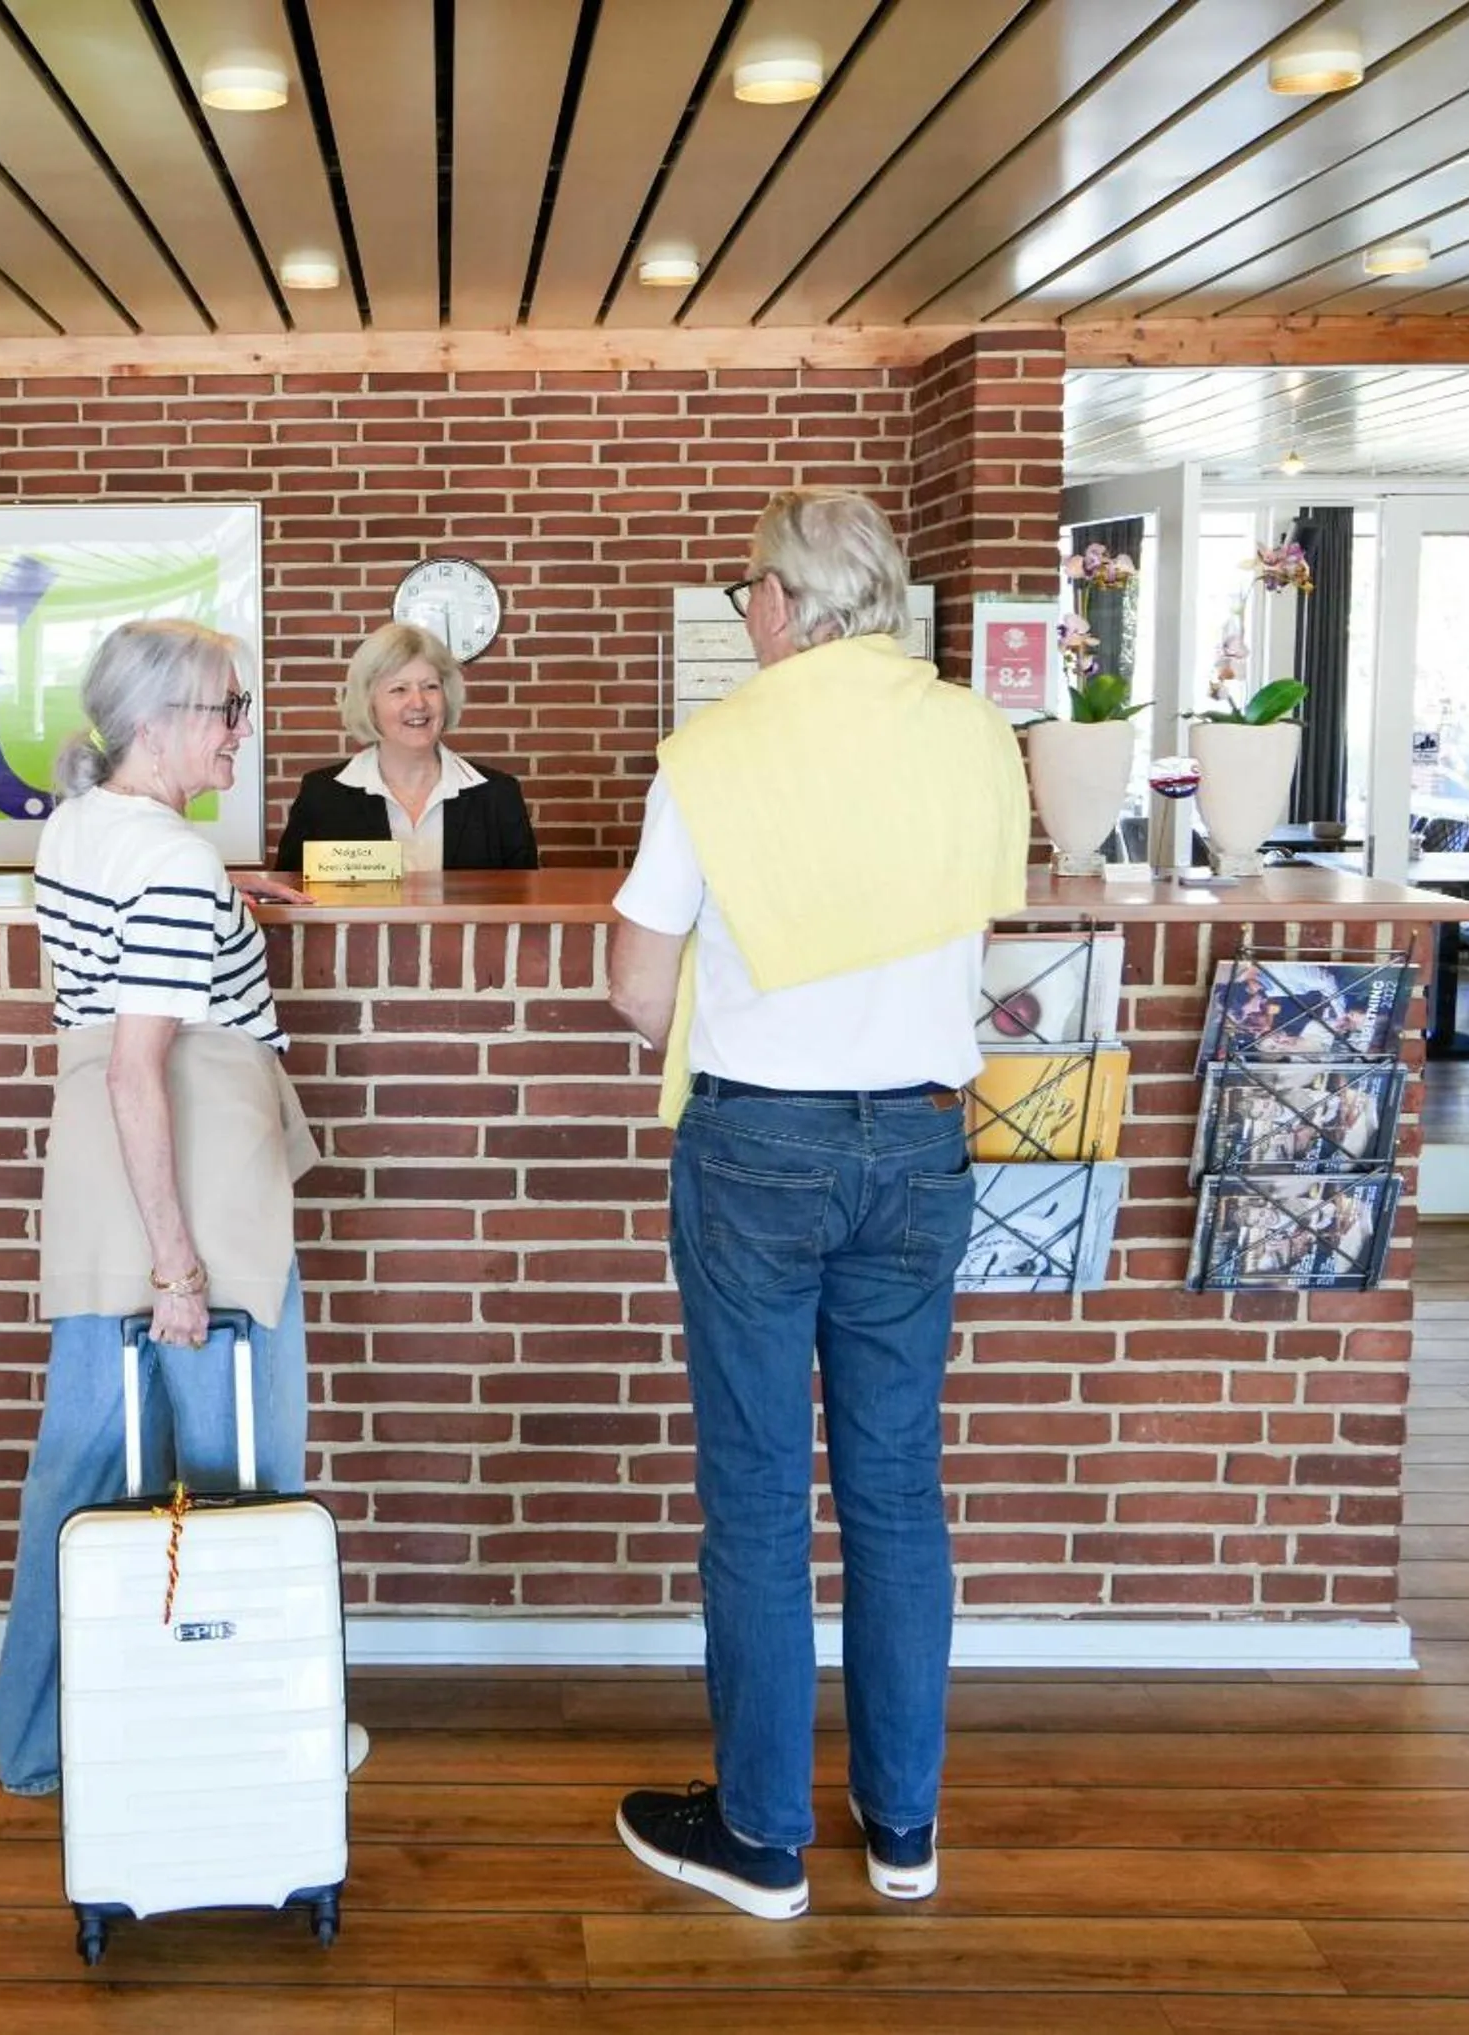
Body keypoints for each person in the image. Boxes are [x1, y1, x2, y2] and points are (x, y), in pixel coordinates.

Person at [603, 488, 1030, 1921]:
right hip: (918, 1145)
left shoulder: (716, 752)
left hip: (759, 1151)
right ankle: (903, 1825)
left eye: (745, 593)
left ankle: (764, 1834)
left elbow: (634, 980)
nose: (744, 616)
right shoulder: (975, 730)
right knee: (899, 1491)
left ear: (786, 602)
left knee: (759, 1496)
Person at [0, 617, 357, 1795]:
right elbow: (151, 1064)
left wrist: (219, 913)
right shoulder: (171, 860)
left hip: (101, 1177)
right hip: (188, 1188)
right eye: (227, 709)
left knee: (80, 1470)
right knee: (241, 1468)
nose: (242, 730)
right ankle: (255, 1727)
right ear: (156, 725)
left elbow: (113, 1002)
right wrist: (181, 1270)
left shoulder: (82, 828)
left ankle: (37, 1740)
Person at [274, 623, 539, 873]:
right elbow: (288, 903)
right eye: (399, 689)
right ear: (369, 703)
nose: (418, 703)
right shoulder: (321, 796)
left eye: (430, 687)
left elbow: (527, 908)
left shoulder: (498, 796)